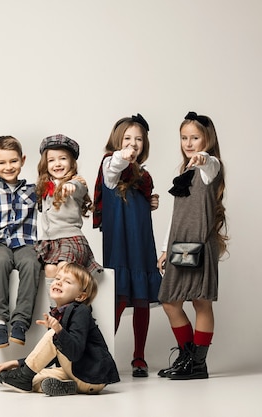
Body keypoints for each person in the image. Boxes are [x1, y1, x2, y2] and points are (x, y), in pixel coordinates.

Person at [157, 112, 228, 380]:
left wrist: (204, 158)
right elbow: (177, 217)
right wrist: (165, 248)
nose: (188, 143)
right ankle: (187, 358)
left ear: (207, 139)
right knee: (170, 301)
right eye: (184, 138)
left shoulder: (211, 167)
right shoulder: (184, 171)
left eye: (195, 138)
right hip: (180, 245)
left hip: (199, 244)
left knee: (201, 302)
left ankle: (198, 364)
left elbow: (210, 164)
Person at [93, 114, 161, 377]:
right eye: (127, 139)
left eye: (139, 140)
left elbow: (139, 201)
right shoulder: (111, 163)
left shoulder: (144, 176)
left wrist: (150, 202)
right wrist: (125, 154)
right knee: (119, 297)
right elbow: (115, 167)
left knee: (142, 298)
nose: (134, 144)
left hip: (141, 242)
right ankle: (102, 354)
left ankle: (139, 357)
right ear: (117, 142)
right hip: (120, 244)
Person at [0, 262, 119, 396]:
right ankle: (67, 386)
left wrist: (58, 330)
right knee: (36, 377)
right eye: (57, 278)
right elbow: (51, 355)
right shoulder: (59, 314)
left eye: (67, 282)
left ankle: (24, 377)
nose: (59, 282)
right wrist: (18, 363)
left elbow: (75, 353)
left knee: (53, 336)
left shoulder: (81, 311)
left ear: (80, 296)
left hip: (92, 374)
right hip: (79, 376)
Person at [0, 136, 41, 348]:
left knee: (31, 263)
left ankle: (20, 322)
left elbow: (58, 191)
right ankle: (0, 321)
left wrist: (77, 182)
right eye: (2, 162)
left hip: (25, 242)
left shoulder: (35, 190)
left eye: (13, 161)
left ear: (22, 160)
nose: (8, 167)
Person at [35, 134, 103, 307]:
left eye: (63, 159)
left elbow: (79, 188)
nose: (57, 164)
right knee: (50, 269)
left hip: (70, 239)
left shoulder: (76, 182)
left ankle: (68, 311)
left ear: (72, 163)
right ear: (45, 164)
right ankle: (56, 310)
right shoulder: (44, 185)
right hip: (50, 241)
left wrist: (71, 186)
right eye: (52, 160)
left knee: (64, 270)